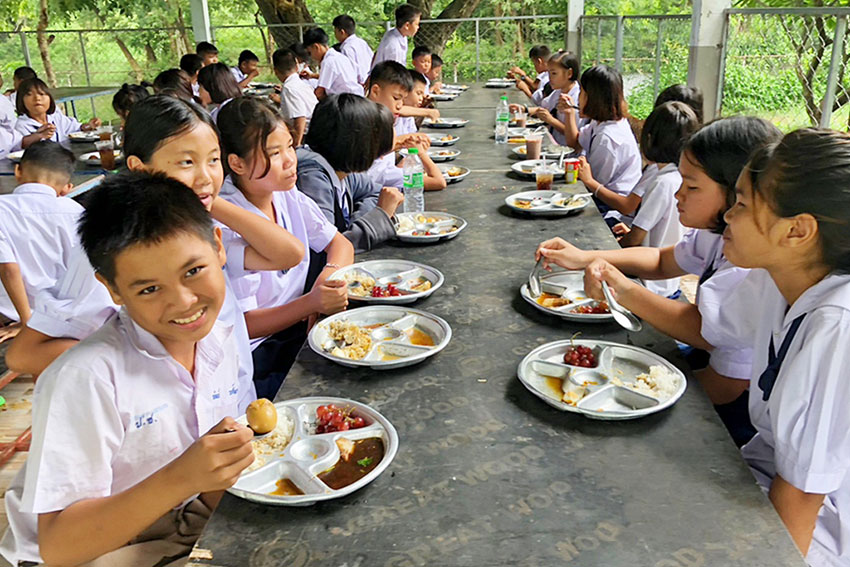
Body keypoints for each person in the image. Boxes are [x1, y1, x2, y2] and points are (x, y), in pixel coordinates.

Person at [0, 172, 255, 567]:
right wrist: (185, 476)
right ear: (113, 289)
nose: (183, 302)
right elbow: (59, 547)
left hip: (176, 518)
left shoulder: (217, 339)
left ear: (218, 246)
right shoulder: (87, 378)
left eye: (193, 271)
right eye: (149, 289)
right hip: (86, 551)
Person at [535, 116, 782, 447]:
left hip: (731, 415)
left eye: (692, 187)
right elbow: (663, 261)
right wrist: (584, 257)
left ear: (737, 194)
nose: (678, 194)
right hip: (707, 365)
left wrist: (624, 291)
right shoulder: (718, 233)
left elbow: (716, 359)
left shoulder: (753, 269)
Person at [721, 129, 850, 565]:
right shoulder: (785, 281)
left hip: (814, 533)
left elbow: (802, 498)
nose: (728, 215)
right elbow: (711, 328)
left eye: (742, 204)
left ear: (797, 230)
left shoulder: (837, 324)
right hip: (763, 480)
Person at [215, 97, 354, 398]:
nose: (290, 160)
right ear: (237, 163)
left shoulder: (284, 192)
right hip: (258, 354)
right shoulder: (225, 222)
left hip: (297, 326)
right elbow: (245, 326)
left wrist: (327, 279)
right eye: (274, 153)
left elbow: (340, 244)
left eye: (290, 146)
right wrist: (312, 303)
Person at [297, 93, 402, 254]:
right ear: (357, 143)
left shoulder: (341, 170)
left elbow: (375, 192)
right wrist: (380, 215)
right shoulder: (312, 176)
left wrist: (358, 222)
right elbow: (326, 249)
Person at [616, 102, 700, 298]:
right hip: (669, 282)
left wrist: (615, 245)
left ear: (649, 139)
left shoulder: (662, 182)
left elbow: (635, 238)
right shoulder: (679, 178)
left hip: (650, 284)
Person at [0, 142, 77, 328]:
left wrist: (27, 322)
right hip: (70, 315)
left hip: (14, 317)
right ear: (67, 187)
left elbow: (8, 268)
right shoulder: (76, 211)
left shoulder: (2, 208)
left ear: (17, 171)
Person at [557, 64, 642, 222]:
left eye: (581, 93)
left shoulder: (607, 139)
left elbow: (591, 182)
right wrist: (569, 113)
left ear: (593, 99)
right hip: (601, 196)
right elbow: (575, 142)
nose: (578, 98)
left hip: (612, 209)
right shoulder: (602, 122)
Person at [365, 62, 446, 192]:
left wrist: (404, 143)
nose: (399, 106)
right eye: (396, 98)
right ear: (375, 91)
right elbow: (438, 181)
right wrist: (418, 151)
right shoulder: (365, 123)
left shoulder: (384, 120)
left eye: (402, 100)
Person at [512, 50, 580, 146]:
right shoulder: (558, 92)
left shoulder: (577, 99)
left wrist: (551, 120)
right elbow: (544, 109)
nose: (549, 78)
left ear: (569, 73)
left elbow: (574, 135)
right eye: (548, 73)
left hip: (565, 148)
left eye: (554, 73)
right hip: (552, 143)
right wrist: (524, 109)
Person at [14, 78, 101, 148]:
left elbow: (77, 128)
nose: (37, 98)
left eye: (42, 94)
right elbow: (20, 144)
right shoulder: (22, 125)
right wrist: (39, 136)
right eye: (29, 94)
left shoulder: (56, 118)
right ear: (21, 100)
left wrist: (89, 126)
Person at [270, 48, 319, 147]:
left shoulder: (289, 88)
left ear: (275, 71)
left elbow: (300, 117)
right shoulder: (300, 83)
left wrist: (296, 144)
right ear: (297, 66)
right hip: (315, 128)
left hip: (306, 135)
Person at [302, 27, 362, 99]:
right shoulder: (338, 56)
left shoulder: (328, 62)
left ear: (316, 47)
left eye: (310, 53)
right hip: (356, 97)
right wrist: (312, 76)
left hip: (347, 100)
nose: (311, 57)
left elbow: (319, 93)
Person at [372, 3, 422, 69]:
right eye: (416, 24)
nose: (418, 27)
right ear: (407, 25)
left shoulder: (401, 36)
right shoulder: (393, 45)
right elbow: (392, 71)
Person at [333, 14, 374, 85]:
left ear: (342, 32)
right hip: (370, 81)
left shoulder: (346, 48)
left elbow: (351, 72)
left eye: (335, 32)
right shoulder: (362, 42)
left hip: (359, 85)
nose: (335, 35)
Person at [396, 70, 427, 136]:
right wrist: (428, 112)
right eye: (418, 93)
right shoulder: (395, 115)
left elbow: (412, 135)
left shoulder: (410, 116)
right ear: (405, 92)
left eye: (422, 95)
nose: (421, 99)